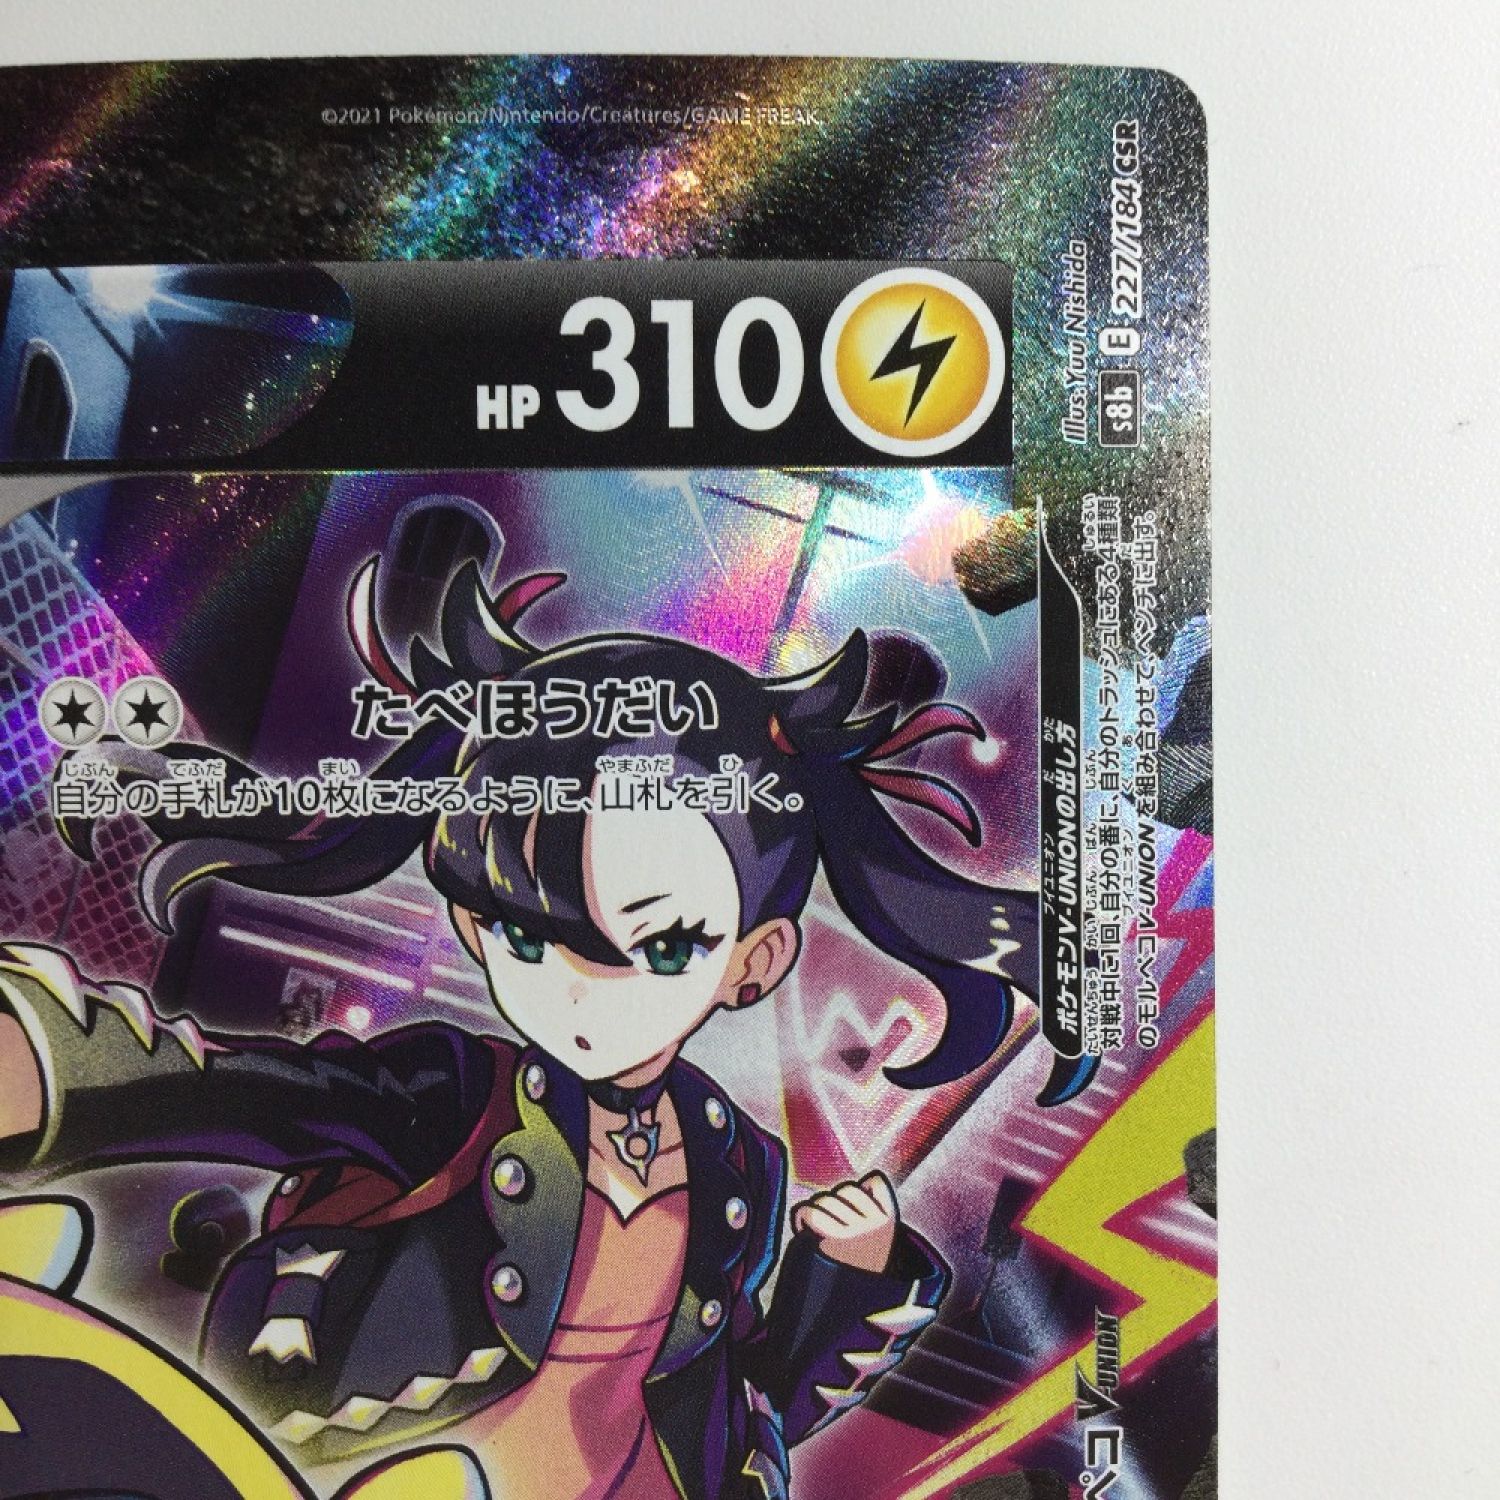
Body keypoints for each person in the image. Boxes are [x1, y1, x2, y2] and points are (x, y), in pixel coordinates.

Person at [0, 557, 1041, 1499]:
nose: (579, 990)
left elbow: (744, 1400)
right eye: (524, 935)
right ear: (472, 922)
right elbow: (251, 1095)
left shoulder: (741, 1166)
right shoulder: (456, 1092)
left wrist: (847, 1275)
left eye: (660, 947)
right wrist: (61, 1068)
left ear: (752, 962)